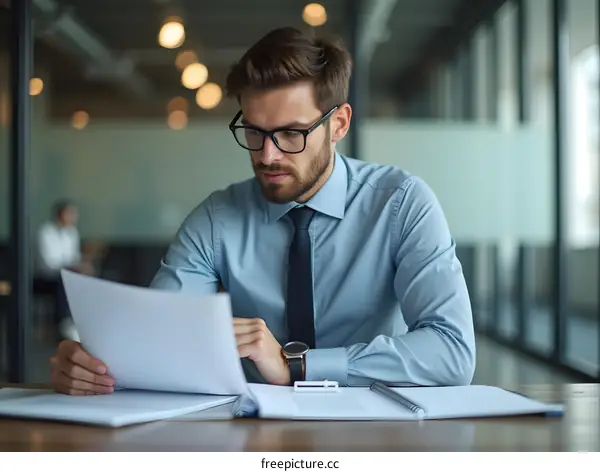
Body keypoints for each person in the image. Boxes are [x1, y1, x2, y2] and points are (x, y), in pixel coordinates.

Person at [49, 27, 476, 396]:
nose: (267, 155)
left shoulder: (400, 204)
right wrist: (94, 367)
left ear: (339, 124)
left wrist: (299, 366)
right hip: (254, 433)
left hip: (374, 428)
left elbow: (452, 350)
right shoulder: (217, 219)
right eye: (254, 131)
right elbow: (162, 338)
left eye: (291, 133)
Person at [36, 200, 94, 341]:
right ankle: (64, 324)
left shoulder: (72, 233)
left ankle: (85, 323)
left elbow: (74, 257)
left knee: (89, 277)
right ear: (60, 214)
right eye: (71, 214)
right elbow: (48, 264)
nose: (74, 217)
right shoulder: (45, 233)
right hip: (46, 278)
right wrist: (72, 265)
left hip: (67, 274)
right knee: (63, 281)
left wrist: (82, 265)